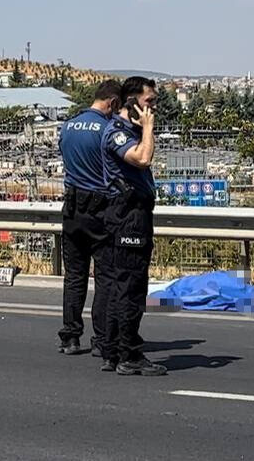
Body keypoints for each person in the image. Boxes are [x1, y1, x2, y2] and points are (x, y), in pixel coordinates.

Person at [99, 76, 166, 376]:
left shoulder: (131, 131)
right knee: (130, 286)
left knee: (120, 284)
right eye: (149, 102)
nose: (153, 109)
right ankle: (129, 354)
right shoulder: (117, 134)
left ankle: (113, 350)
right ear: (130, 103)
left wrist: (144, 128)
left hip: (132, 214)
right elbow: (142, 159)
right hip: (127, 215)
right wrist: (148, 129)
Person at [56, 80, 122, 356]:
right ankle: (102, 338)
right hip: (99, 209)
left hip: (72, 209)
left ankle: (70, 337)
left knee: (74, 276)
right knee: (105, 276)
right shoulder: (108, 129)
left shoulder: (68, 126)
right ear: (113, 103)